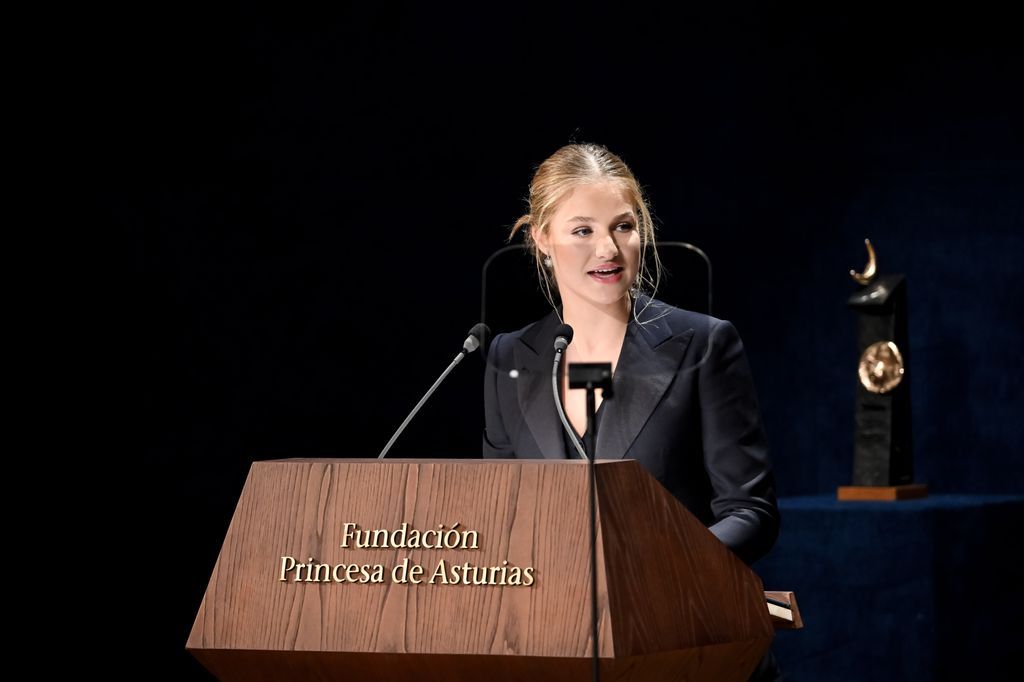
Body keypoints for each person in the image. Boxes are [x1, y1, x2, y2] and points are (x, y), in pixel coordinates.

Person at [481, 142, 781, 679]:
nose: (608, 249)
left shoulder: (705, 345)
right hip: (556, 651)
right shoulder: (509, 357)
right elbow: (503, 520)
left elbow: (750, 514)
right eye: (582, 230)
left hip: (687, 647)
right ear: (541, 240)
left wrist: (652, 575)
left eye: (623, 225)